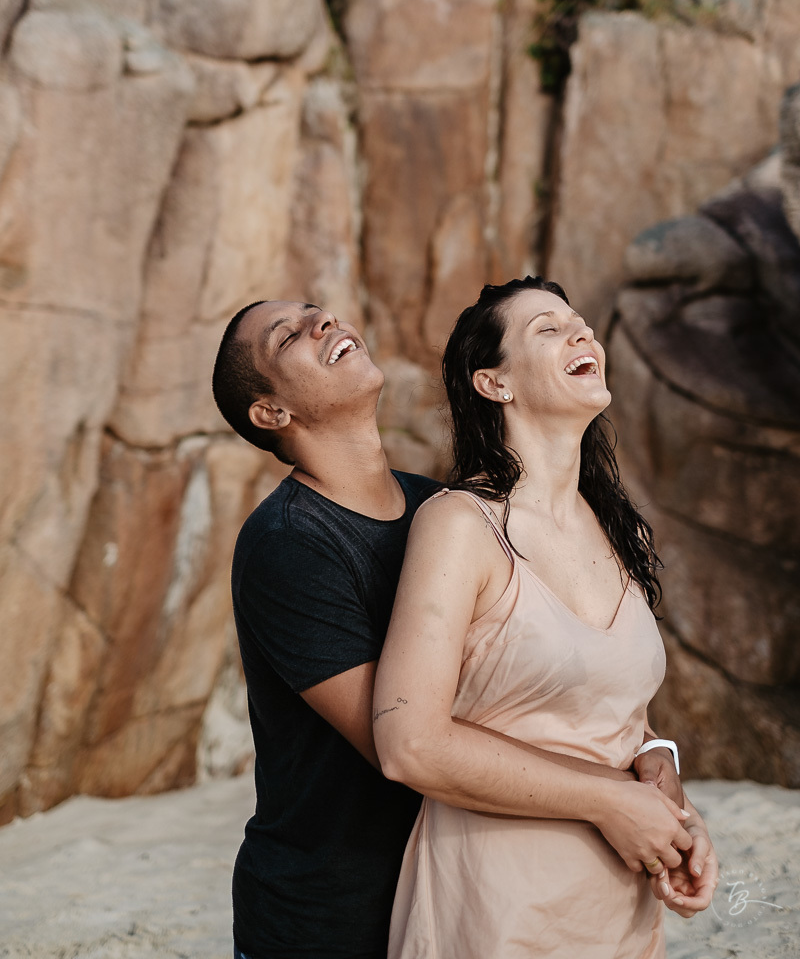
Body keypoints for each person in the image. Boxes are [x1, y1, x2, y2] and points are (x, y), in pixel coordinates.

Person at [212, 297, 710, 959]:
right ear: (273, 413)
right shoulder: (291, 544)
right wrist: (618, 798)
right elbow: (411, 743)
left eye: (317, 310)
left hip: (464, 888)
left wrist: (656, 757)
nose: (322, 322)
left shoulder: (440, 507)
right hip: (336, 914)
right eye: (288, 336)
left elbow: (542, 697)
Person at [373, 277, 717, 959]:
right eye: (548, 329)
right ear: (494, 384)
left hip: (617, 902)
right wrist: (614, 804)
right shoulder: (460, 525)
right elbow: (409, 743)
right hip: (500, 905)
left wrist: (665, 785)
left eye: (581, 324)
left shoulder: (620, 531)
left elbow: (610, 711)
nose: (582, 334)